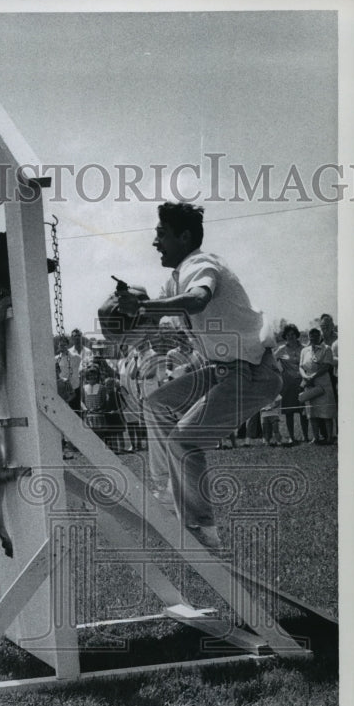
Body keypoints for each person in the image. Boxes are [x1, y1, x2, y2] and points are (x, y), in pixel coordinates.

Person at [106, 201, 282, 549]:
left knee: (184, 440)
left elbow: (198, 299)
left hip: (253, 373)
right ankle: (167, 495)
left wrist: (141, 306)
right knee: (156, 404)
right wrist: (126, 308)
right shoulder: (175, 279)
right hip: (220, 369)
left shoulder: (201, 265)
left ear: (184, 236)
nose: (155, 243)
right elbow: (150, 317)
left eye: (161, 234)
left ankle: (204, 531)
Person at [299, 327, 337, 444]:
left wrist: (313, 376)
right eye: (311, 335)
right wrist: (305, 376)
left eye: (316, 335)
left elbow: (326, 366)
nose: (313, 337)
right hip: (309, 384)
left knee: (326, 411)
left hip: (323, 383)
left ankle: (330, 437)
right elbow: (301, 366)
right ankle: (316, 437)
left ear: (320, 336)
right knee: (312, 412)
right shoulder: (304, 350)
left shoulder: (327, 349)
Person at [274, 324, 308, 445]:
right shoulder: (282, 349)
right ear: (285, 336)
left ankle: (306, 436)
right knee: (289, 412)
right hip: (287, 384)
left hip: (302, 383)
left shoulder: (304, 348)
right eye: (288, 335)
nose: (290, 337)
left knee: (303, 410)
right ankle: (292, 437)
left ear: (296, 335)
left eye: (293, 334)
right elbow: (272, 361)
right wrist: (279, 373)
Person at [55, 334, 82, 410]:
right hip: (62, 389)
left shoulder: (76, 357)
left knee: (75, 411)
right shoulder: (55, 359)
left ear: (68, 345)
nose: (62, 347)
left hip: (74, 388)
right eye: (61, 345)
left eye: (64, 345)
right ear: (58, 346)